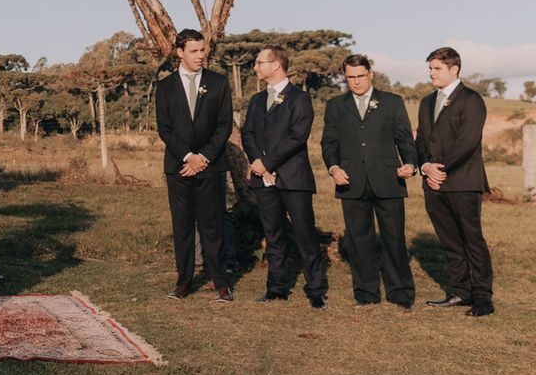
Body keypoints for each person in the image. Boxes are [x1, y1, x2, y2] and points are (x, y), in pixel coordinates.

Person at [318, 54, 417, 308]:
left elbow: (405, 138)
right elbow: (329, 143)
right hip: (350, 181)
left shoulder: (392, 102)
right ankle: (366, 292)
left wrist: (410, 163)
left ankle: (401, 292)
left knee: (393, 238)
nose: (356, 82)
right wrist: (333, 167)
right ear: (345, 77)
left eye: (360, 76)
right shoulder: (336, 105)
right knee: (358, 239)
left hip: (389, 179)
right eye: (350, 77)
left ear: (370, 74)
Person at [239, 46, 326, 308]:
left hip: (293, 178)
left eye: (259, 62)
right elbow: (247, 133)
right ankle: (276, 289)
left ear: (276, 64)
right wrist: (258, 163)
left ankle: (316, 291)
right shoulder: (256, 100)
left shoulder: (299, 98)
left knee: (304, 234)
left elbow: (297, 137)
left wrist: (267, 162)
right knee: (273, 234)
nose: (256, 67)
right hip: (263, 178)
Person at [154, 30, 235, 301]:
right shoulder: (165, 86)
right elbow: (164, 129)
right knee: (183, 225)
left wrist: (204, 158)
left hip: (211, 166)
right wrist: (188, 157)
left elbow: (224, 125)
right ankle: (183, 282)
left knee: (213, 225)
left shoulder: (218, 82)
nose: (201, 55)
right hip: (178, 166)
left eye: (203, 50)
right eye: (194, 51)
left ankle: (221, 283)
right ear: (180, 52)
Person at [416, 47, 495, 317]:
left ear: (454, 69)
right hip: (433, 184)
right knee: (449, 241)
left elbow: (467, 143)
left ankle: (483, 297)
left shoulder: (472, 100)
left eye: (437, 69)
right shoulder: (427, 102)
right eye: (430, 69)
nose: (431, 74)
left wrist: (441, 171)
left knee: (472, 239)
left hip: (462, 181)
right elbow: (421, 140)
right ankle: (461, 292)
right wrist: (425, 166)